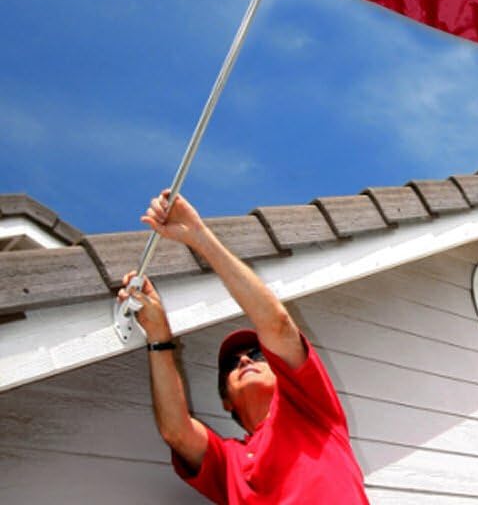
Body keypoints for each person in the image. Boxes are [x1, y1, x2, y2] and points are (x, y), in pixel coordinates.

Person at [117, 189, 370, 504]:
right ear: (226, 402)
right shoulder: (228, 462)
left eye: (256, 354)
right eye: (231, 365)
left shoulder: (311, 410)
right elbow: (176, 432)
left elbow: (276, 324)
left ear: (282, 377)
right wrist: (158, 334)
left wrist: (199, 236)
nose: (244, 361)